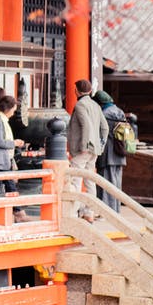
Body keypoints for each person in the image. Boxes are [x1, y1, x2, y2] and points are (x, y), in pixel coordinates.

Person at [67, 79, 108, 222]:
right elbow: (105, 127)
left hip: (82, 149)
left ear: (76, 90)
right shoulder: (96, 105)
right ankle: (89, 212)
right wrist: (100, 145)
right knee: (90, 181)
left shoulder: (80, 105)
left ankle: (73, 211)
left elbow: (86, 126)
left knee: (75, 179)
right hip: (94, 149)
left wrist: (84, 146)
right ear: (90, 91)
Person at [0, 95, 29, 222]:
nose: (12, 114)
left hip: (2, 160)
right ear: (7, 109)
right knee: (1, 186)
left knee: (5, 186)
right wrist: (14, 143)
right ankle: (17, 212)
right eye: (13, 110)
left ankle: (16, 212)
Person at [92, 90, 127, 213]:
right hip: (120, 152)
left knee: (106, 183)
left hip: (108, 154)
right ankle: (115, 209)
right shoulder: (120, 112)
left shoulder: (104, 114)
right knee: (116, 183)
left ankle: (106, 211)